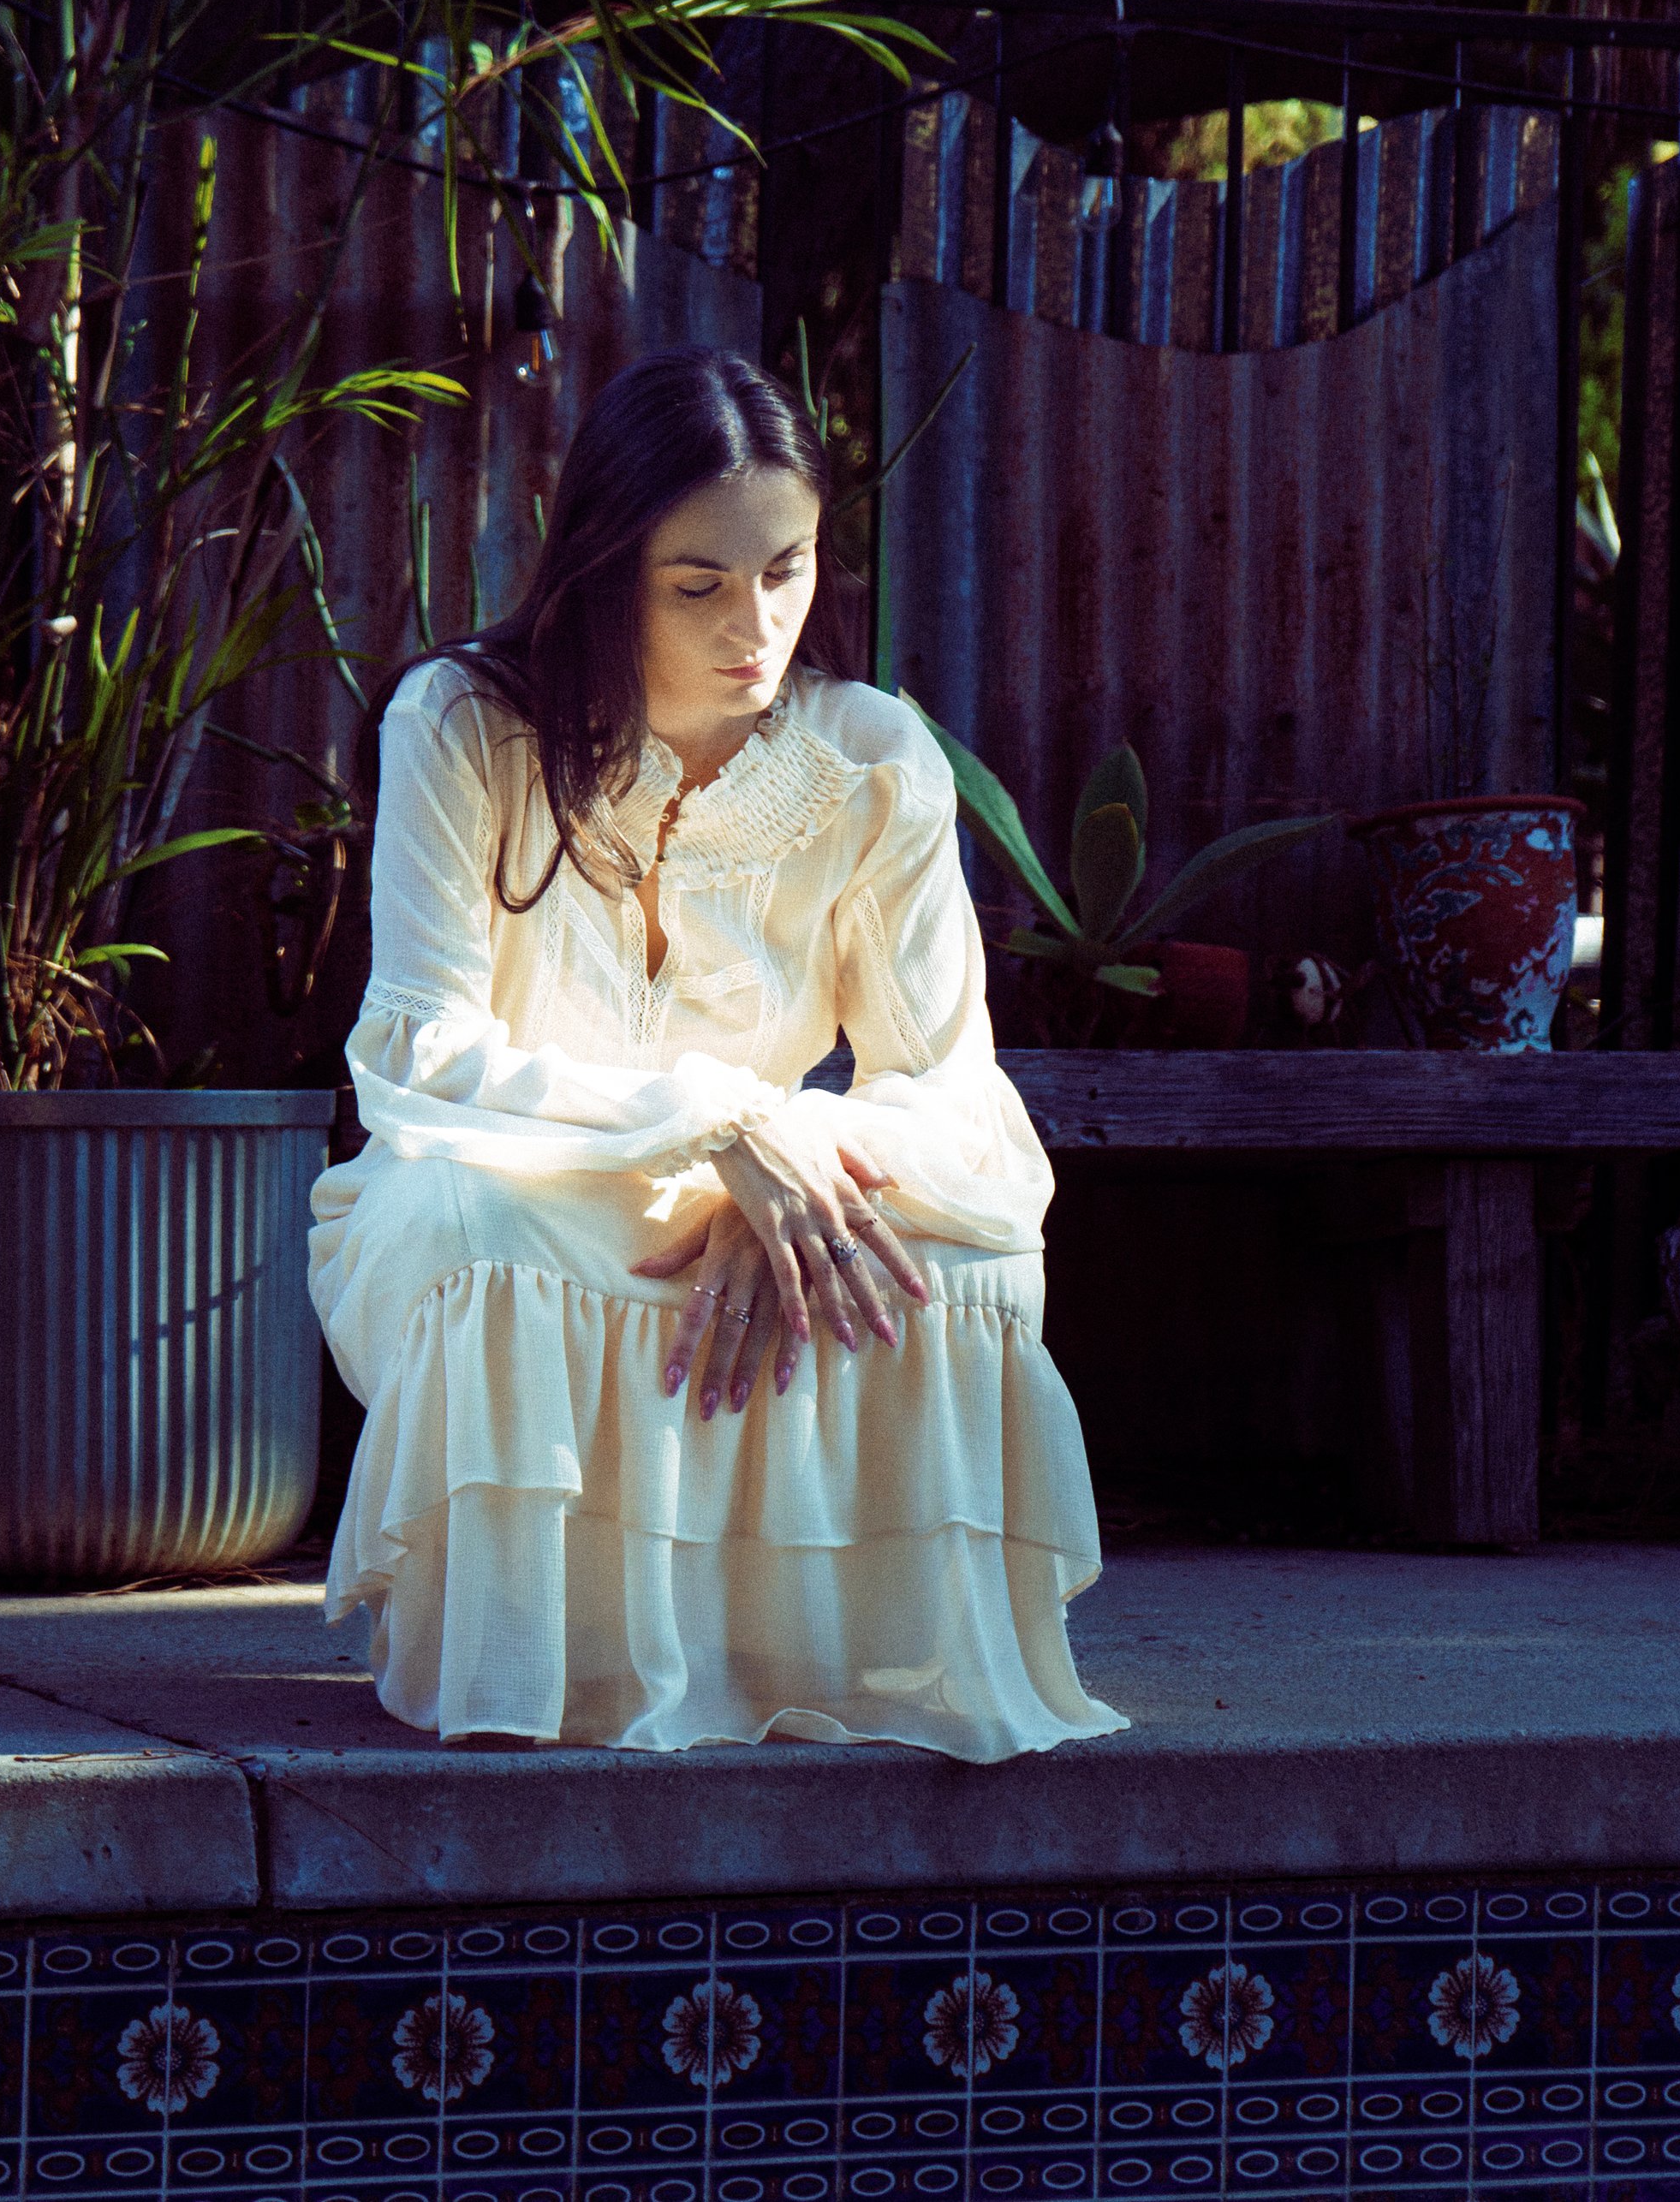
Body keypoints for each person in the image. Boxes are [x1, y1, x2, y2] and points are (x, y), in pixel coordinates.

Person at [309, 345, 1123, 1760]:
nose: (758, 624)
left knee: (974, 1256)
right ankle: (541, 1654)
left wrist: (796, 1158)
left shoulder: (874, 758)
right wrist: (715, 1122)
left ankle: (804, 1646)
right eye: (700, 584)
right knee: (481, 1225)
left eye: (786, 569)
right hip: (522, 1185)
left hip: (767, 1183)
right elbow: (418, 1051)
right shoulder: (462, 724)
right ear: (607, 568)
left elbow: (954, 1090)